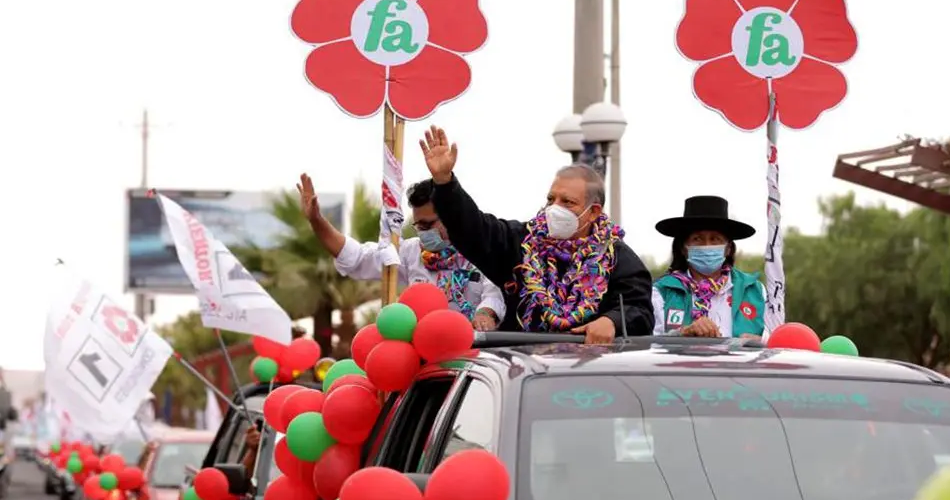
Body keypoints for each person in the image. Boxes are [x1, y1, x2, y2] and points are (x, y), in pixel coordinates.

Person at [419, 126, 654, 343]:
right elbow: (473, 229)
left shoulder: (617, 258)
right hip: (521, 372)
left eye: (568, 202)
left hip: (588, 375)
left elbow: (639, 310)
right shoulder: (521, 242)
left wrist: (611, 321)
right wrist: (444, 183)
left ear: (592, 212)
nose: (555, 208)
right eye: (551, 199)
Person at [298, 173, 506, 330]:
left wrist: (484, 315)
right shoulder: (409, 252)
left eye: (429, 224)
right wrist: (316, 220)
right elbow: (356, 257)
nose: (423, 232)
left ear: (452, 217)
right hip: (425, 362)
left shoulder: (481, 248)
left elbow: (494, 294)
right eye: (419, 226)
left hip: (473, 361)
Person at [651, 195, 768, 338]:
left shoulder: (755, 291)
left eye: (715, 239)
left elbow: (774, 338)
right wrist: (682, 333)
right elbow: (651, 342)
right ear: (683, 248)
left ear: (728, 248)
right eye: (697, 239)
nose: (706, 246)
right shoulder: (662, 291)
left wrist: (761, 341)